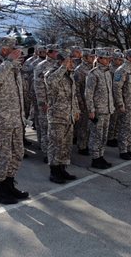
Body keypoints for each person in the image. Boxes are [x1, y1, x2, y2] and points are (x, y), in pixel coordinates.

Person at [0, 37, 29, 204]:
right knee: (3, 155)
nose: (17, 51)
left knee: (17, 153)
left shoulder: (13, 64)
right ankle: (0, 191)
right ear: (4, 50)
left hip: (16, 118)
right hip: (1, 120)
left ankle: (10, 186)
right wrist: (9, 62)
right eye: (13, 49)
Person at [45, 50, 80, 184]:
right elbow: (51, 82)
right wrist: (63, 67)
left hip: (68, 115)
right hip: (57, 116)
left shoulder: (69, 75)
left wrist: (76, 110)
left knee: (66, 145)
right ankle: (54, 171)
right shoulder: (51, 73)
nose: (72, 64)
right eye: (70, 61)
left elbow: (73, 95)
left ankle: (62, 169)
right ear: (62, 61)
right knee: (56, 144)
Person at [85, 48, 115, 169]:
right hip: (98, 110)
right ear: (99, 59)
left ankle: (101, 155)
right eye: (106, 58)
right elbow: (88, 93)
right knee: (96, 135)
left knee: (103, 135)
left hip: (107, 109)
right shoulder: (93, 73)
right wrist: (91, 110)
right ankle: (95, 158)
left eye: (109, 58)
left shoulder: (107, 72)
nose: (108, 60)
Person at [113, 49, 131, 160]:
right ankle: (123, 150)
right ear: (129, 57)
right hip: (127, 105)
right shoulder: (121, 70)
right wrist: (120, 104)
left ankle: (130, 148)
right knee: (124, 128)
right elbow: (117, 88)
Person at [33, 44, 60, 162]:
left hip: (58, 102)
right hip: (46, 102)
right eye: (55, 52)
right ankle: (46, 153)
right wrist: (43, 102)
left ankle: (55, 152)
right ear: (49, 52)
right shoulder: (41, 66)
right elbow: (39, 86)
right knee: (45, 128)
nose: (57, 54)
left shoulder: (59, 64)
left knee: (55, 129)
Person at [73, 48, 95, 155]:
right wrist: (80, 103)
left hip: (92, 102)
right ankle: (82, 146)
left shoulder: (93, 68)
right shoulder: (79, 70)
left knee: (90, 126)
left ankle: (87, 143)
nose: (93, 58)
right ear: (85, 58)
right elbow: (76, 89)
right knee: (83, 126)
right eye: (91, 56)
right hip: (83, 101)